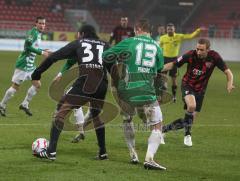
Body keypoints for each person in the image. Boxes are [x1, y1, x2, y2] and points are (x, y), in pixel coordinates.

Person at [32, 25, 110, 160]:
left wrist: (37, 73)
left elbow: (53, 57)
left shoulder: (79, 43)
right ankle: (103, 152)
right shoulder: (106, 45)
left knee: (60, 111)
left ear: (82, 33)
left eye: (78, 34)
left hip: (86, 82)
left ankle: (51, 152)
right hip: (102, 84)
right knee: (96, 116)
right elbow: (114, 67)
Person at [103, 19, 166, 170]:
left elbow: (106, 55)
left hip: (126, 90)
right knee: (157, 125)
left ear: (137, 29)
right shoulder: (157, 46)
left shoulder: (129, 42)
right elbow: (159, 70)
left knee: (127, 119)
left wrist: (118, 66)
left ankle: (133, 153)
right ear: (149, 31)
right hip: (146, 90)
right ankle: (149, 158)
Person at [162, 38, 235, 146]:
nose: (199, 52)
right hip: (188, 85)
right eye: (197, 49)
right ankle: (187, 135)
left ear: (208, 50)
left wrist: (229, 83)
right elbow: (173, 64)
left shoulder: (214, 57)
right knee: (191, 106)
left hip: (201, 90)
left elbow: (228, 72)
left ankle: (163, 130)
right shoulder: (190, 55)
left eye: (201, 50)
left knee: (188, 121)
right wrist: (158, 70)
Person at [0, 16, 50, 117]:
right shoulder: (33, 33)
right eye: (40, 23)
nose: (42, 25)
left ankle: (25, 104)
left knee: (37, 84)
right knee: (15, 87)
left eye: (43, 23)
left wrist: (43, 50)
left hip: (30, 65)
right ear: (36, 24)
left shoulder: (38, 34)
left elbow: (34, 46)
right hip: (24, 64)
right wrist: (41, 52)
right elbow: (27, 46)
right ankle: (2, 105)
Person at [160, 23, 203, 102]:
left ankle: (174, 96)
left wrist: (198, 30)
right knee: (163, 80)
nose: (170, 30)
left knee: (174, 81)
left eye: (171, 29)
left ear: (174, 29)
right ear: (166, 30)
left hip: (174, 60)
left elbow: (190, 36)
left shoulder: (179, 36)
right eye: (168, 29)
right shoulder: (162, 38)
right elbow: (159, 48)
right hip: (164, 59)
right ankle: (162, 97)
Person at [53, 59, 93, 143]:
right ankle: (81, 131)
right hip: (97, 83)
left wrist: (60, 74)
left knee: (68, 101)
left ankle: (57, 119)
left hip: (84, 82)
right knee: (78, 105)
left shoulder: (82, 49)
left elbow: (70, 61)